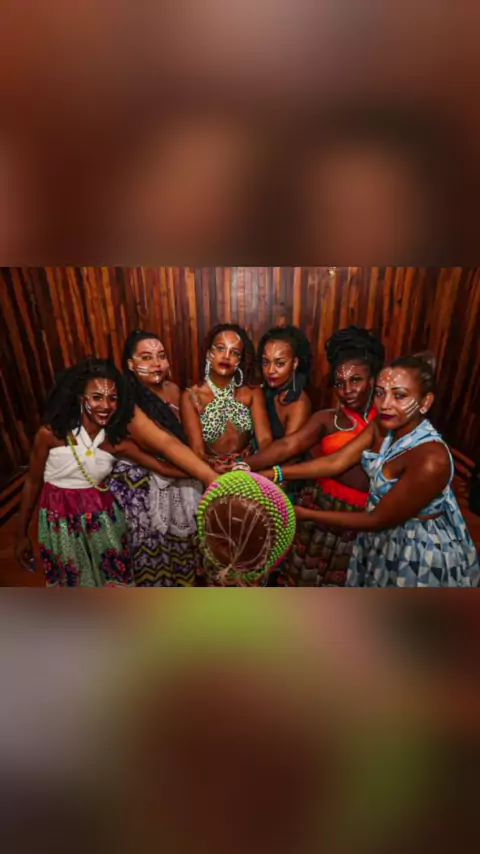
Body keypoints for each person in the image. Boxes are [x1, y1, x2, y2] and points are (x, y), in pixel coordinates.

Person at [261, 353, 480, 587]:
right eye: (380, 393)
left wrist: (305, 514)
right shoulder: (382, 426)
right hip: (381, 541)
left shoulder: (430, 458)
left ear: (425, 402)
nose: (385, 404)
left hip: (416, 550)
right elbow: (337, 461)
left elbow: (376, 519)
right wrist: (275, 473)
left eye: (399, 395)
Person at [14, 358, 214, 588]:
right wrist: (21, 534)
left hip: (103, 523)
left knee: (113, 583)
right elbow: (32, 482)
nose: (106, 405)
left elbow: (162, 467)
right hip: (61, 523)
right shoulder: (51, 435)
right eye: (97, 397)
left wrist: (207, 472)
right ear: (81, 398)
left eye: (112, 398)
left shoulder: (114, 443)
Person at [249, 326, 385, 586]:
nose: (347, 390)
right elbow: (289, 444)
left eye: (356, 380)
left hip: (364, 515)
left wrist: (274, 473)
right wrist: (245, 464)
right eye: (339, 383)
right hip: (324, 505)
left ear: (373, 380)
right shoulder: (326, 419)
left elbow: (336, 463)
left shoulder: (387, 421)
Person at [109, 330, 212, 587]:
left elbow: (187, 436)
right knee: (158, 559)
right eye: (146, 357)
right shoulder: (126, 401)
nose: (156, 363)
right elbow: (165, 443)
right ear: (130, 364)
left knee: (185, 553)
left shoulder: (174, 389)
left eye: (161, 356)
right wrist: (210, 476)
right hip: (146, 488)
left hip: (182, 473)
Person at [180, 323, 273, 473]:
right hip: (210, 472)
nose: (226, 356)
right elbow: (197, 451)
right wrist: (212, 467)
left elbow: (265, 440)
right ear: (208, 354)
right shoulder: (191, 397)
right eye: (220, 348)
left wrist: (252, 465)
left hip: (249, 467)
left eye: (235, 352)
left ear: (240, 360)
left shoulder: (252, 392)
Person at [258, 324, 312, 439]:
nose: (270, 371)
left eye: (280, 364)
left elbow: (288, 448)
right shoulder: (262, 390)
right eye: (265, 362)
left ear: (295, 363)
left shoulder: (299, 404)